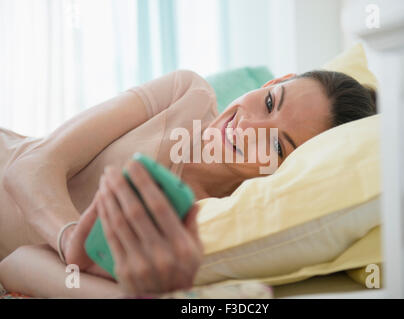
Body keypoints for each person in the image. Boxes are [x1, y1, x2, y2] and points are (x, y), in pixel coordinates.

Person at [0, 69, 377, 298]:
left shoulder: (208, 220)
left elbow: (17, 263)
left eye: (277, 145)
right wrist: (69, 237)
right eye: (268, 102)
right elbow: (28, 167)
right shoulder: (186, 93)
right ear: (273, 81)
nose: (249, 128)